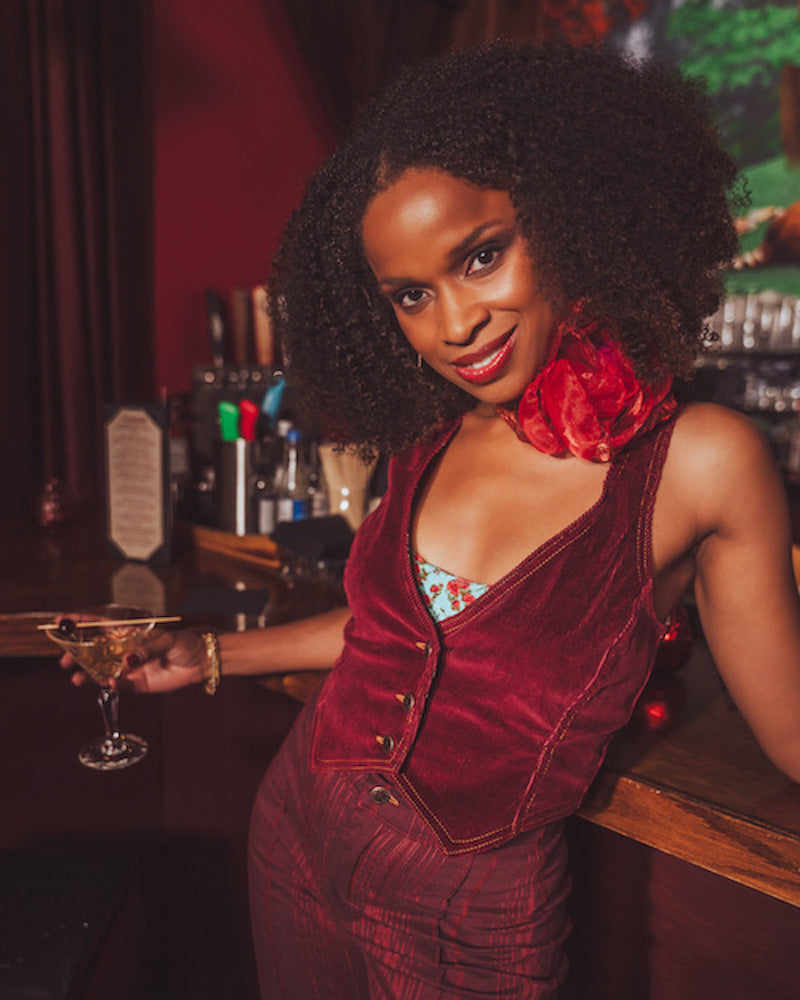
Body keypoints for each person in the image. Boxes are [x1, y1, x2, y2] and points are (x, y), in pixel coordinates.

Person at [63, 41, 800, 998]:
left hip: (464, 913)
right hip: (294, 827)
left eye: (481, 256)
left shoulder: (700, 461)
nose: (455, 325)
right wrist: (201, 655)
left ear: (570, 215)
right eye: (412, 295)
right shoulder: (430, 439)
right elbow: (388, 635)